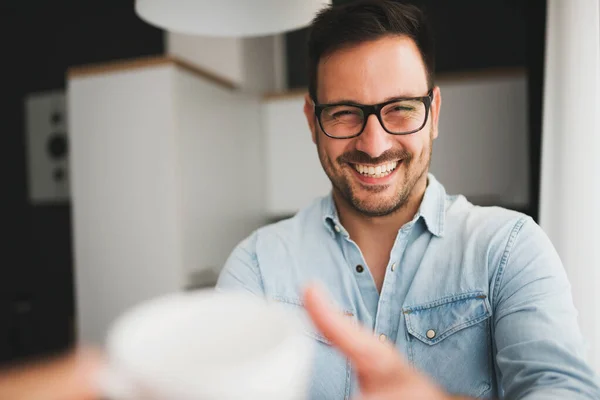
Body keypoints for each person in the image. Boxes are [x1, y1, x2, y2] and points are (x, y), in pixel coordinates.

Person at [216, 0, 600, 399]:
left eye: (399, 109)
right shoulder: (257, 266)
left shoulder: (508, 247)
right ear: (313, 121)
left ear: (433, 113)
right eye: (345, 113)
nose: (374, 144)